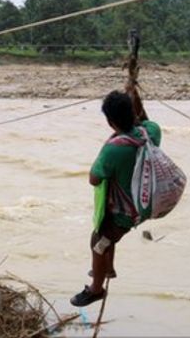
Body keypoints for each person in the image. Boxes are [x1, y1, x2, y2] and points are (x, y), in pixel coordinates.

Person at [70, 90, 161, 307]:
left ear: (111, 123)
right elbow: (145, 120)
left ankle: (96, 289)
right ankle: (107, 268)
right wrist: (134, 93)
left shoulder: (115, 149)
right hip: (150, 201)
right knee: (108, 236)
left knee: (98, 243)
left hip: (128, 212)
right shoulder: (151, 133)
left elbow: (94, 178)